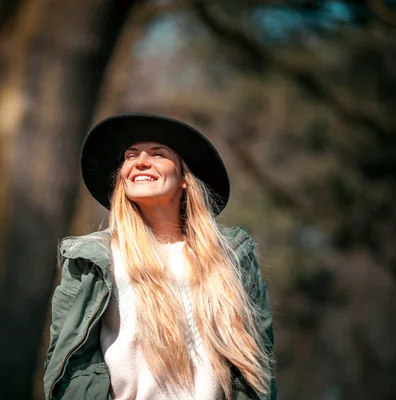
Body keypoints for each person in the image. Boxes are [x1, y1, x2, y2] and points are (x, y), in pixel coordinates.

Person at [43, 113, 276, 400]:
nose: (140, 162)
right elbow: (70, 361)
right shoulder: (93, 260)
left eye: (157, 154)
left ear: (184, 179)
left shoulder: (231, 256)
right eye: (130, 156)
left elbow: (256, 361)